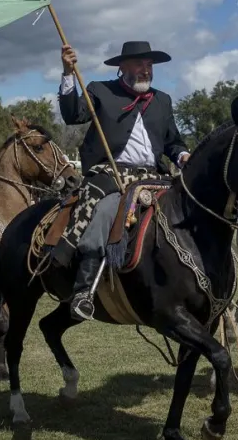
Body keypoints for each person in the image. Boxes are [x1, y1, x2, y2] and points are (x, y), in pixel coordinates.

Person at [58, 41, 190, 321]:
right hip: (111, 173)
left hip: (155, 176)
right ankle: (83, 290)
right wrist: (68, 73)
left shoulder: (163, 100)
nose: (146, 70)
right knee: (104, 212)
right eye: (140, 64)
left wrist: (182, 156)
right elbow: (72, 116)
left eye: (149, 65)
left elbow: (173, 143)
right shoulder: (100, 90)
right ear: (122, 67)